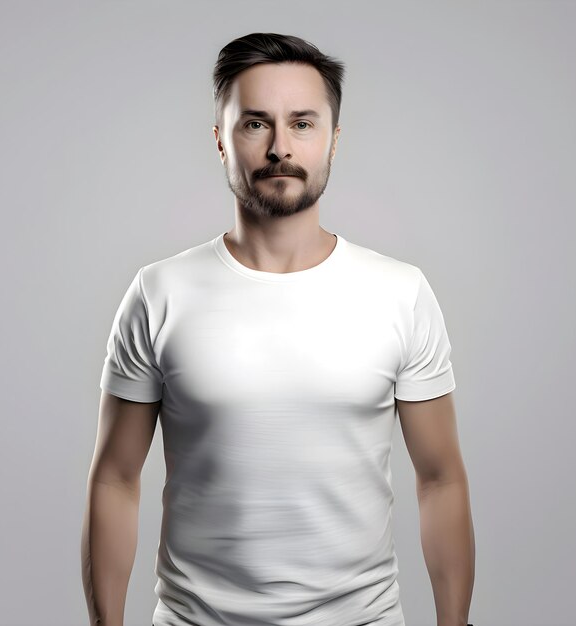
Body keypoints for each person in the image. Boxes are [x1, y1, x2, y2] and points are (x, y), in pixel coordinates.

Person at [81, 32, 475, 626]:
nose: (280, 148)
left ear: (334, 141)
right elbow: (114, 478)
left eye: (303, 123)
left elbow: (441, 479)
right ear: (221, 140)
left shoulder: (401, 292)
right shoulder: (158, 292)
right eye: (256, 123)